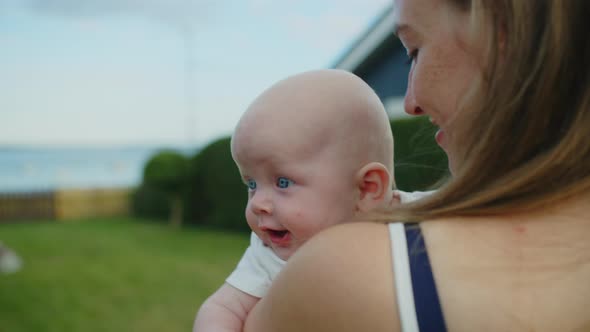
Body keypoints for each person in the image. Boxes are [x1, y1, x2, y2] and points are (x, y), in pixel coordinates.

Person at [242, 1, 590, 331]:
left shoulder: (346, 273)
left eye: (414, 51)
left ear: (503, 35)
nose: (411, 102)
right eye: (251, 184)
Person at [194, 69, 432, 331]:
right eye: (251, 184)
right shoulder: (269, 255)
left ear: (366, 189)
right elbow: (224, 307)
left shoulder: (426, 217)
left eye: (282, 182)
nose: (257, 203)